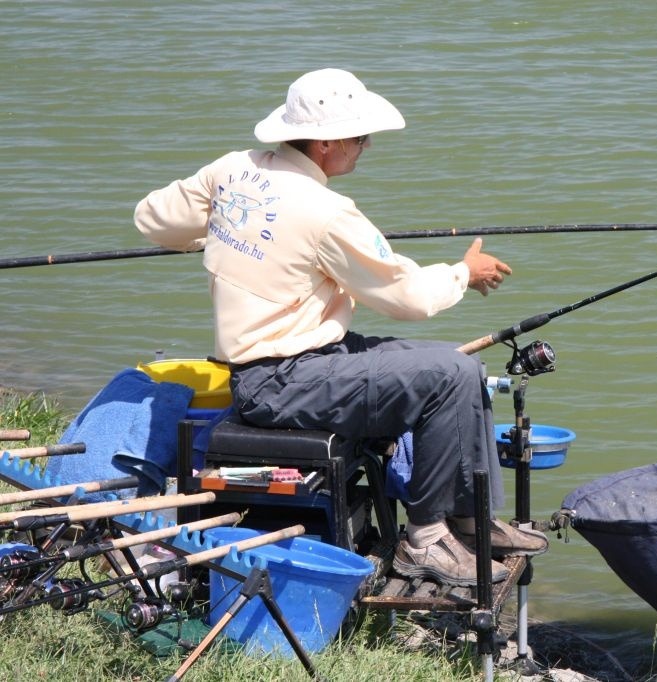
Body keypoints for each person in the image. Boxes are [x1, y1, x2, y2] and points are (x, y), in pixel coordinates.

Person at [134, 67, 547, 586]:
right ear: (326, 142)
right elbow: (408, 295)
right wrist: (465, 272)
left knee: (462, 364)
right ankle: (425, 539)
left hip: (298, 357)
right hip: (280, 381)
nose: (366, 146)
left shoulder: (232, 171)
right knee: (447, 373)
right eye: (359, 136)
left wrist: (222, 226)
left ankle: (469, 518)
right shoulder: (326, 212)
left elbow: (153, 219)